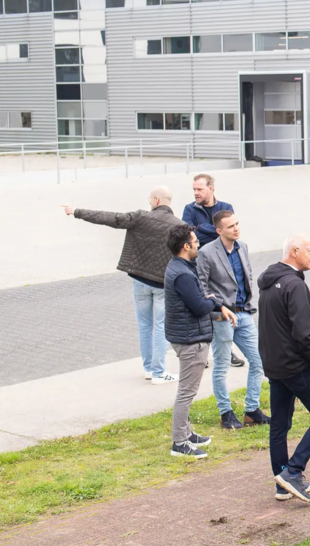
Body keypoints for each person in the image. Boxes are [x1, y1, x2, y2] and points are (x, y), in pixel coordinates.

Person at [63, 186, 182, 383]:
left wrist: (77, 211)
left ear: (156, 200)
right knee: (161, 326)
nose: (149, 203)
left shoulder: (140, 217)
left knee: (144, 325)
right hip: (163, 285)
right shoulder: (180, 226)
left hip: (139, 281)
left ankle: (148, 369)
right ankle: (159, 372)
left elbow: (109, 217)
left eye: (150, 200)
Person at [258, 234, 310, 502]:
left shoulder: (269, 282)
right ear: (294, 252)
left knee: (279, 425)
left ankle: (282, 484)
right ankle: (293, 471)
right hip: (298, 366)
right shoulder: (294, 285)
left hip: (275, 366)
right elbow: (304, 333)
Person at [163, 223, 236, 458]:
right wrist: (213, 300)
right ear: (186, 246)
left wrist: (211, 300)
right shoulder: (183, 274)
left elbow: (199, 299)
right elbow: (199, 306)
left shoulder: (180, 266)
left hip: (187, 336)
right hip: (190, 340)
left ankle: (186, 432)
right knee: (186, 392)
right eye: (195, 242)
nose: (198, 244)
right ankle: (179, 442)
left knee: (187, 390)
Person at [196, 210, 270, 430]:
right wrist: (218, 309)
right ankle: (225, 413)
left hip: (244, 313)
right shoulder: (206, 253)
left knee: (258, 360)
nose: (236, 228)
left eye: (237, 224)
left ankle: (252, 411)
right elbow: (201, 287)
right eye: (231, 226)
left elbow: (247, 277)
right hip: (222, 316)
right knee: (221, 366)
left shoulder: (242, 247)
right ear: (219, 230)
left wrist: (249, 304)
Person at [182, 173, 242, 367]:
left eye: (199, 189)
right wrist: (215, 231)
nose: (196, 193)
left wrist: (201, 228)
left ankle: (227, 351)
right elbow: (188, 233)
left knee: (222, 304)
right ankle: (202, 353)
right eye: (194, 189)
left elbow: (226, 234)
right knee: (201, 305)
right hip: (197, 263)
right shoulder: (189, 209)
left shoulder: (225, 207)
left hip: (221, 264)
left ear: (211, 189)